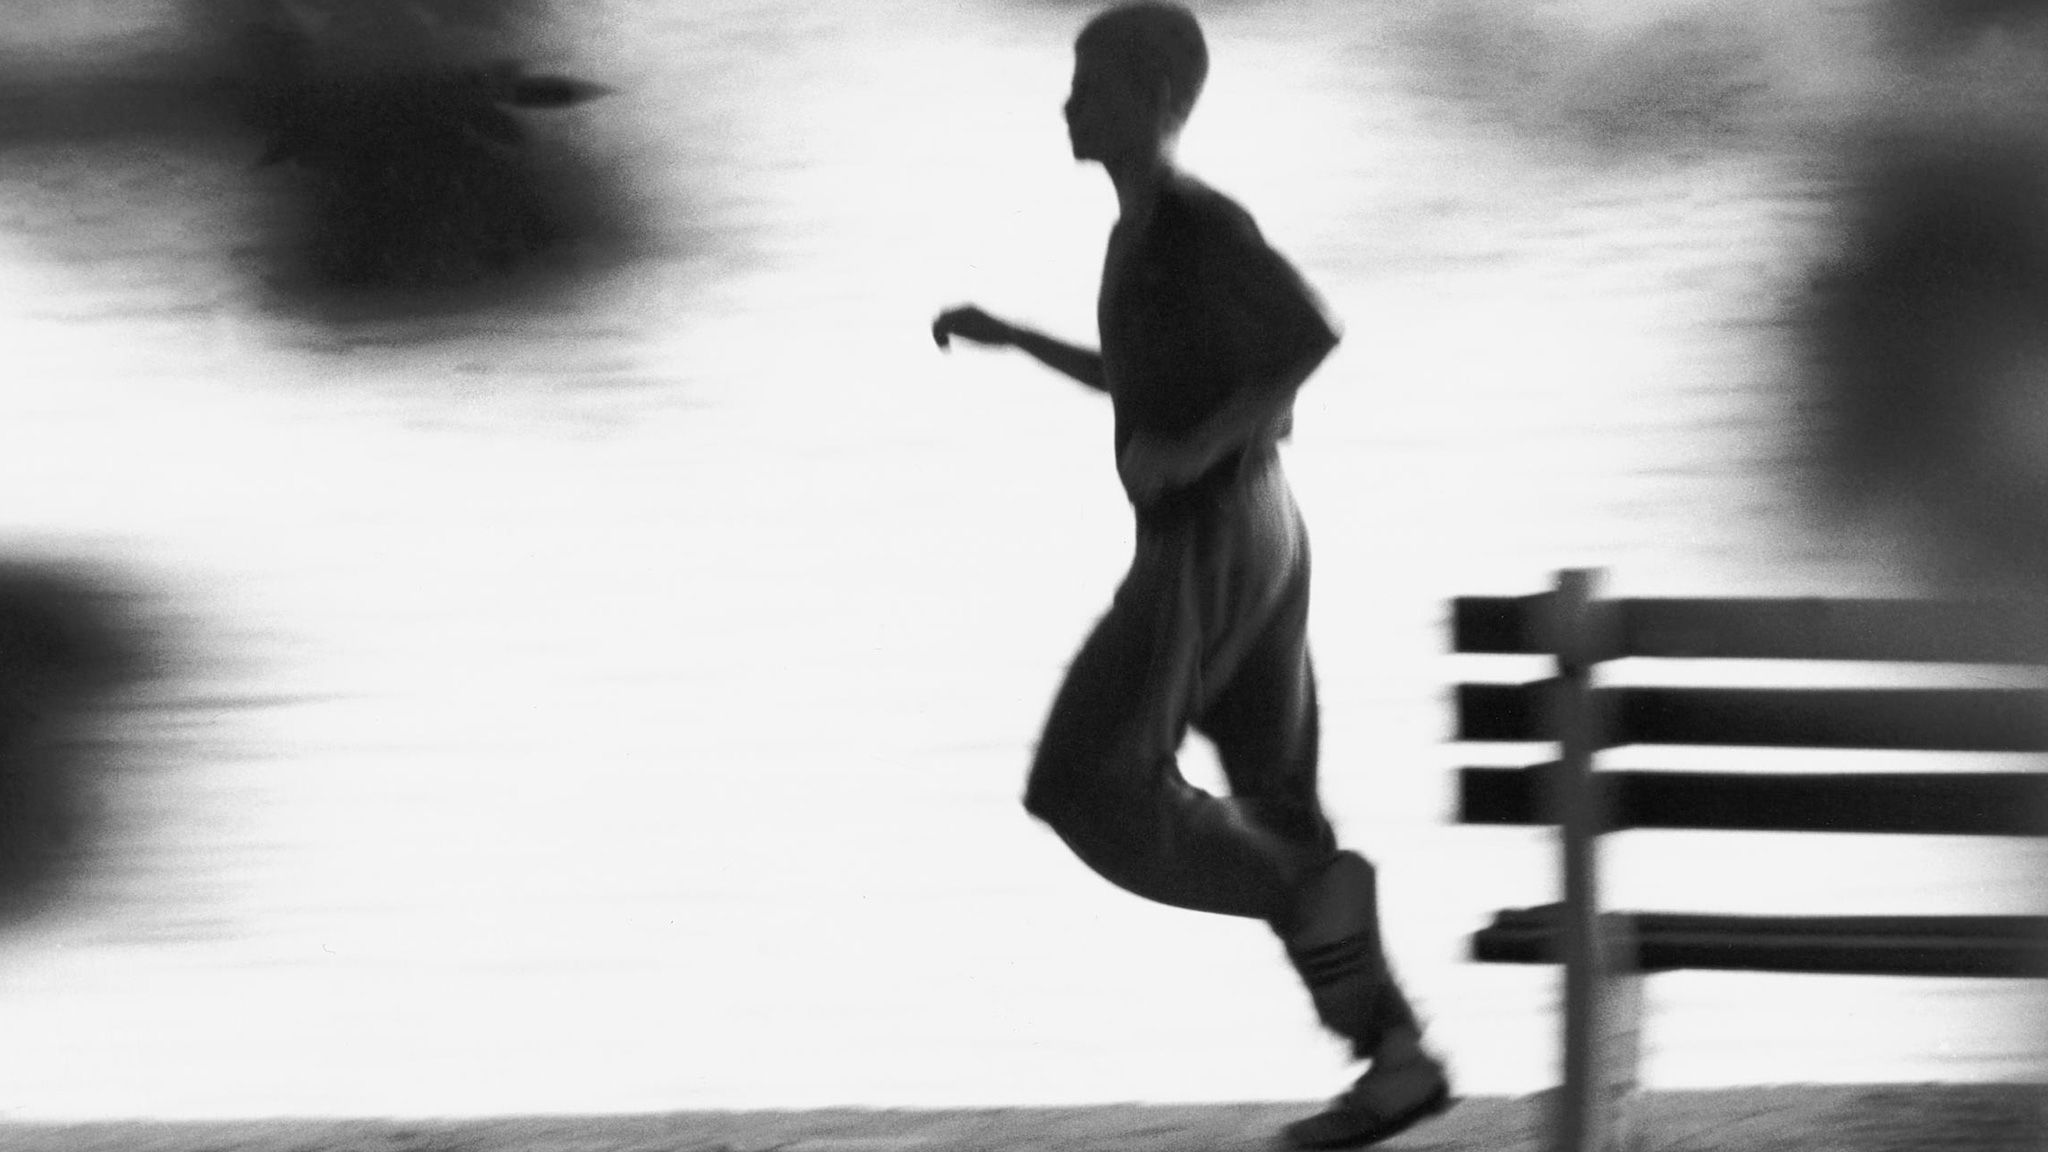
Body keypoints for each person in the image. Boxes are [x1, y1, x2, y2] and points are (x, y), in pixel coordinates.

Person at [930, 5, 1451, 1148]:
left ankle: (1303, 894)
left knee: (1086, 781)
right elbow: (1146, 378)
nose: (1068, 104)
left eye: (1091, 85)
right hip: (1258, 534)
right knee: (1275, 805)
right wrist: (1019, 338)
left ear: (1159, 99)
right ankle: (1397, 1062)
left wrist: (1196, 450)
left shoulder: (1195, 219)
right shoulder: (1138, 232)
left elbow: (1308, 338)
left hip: (1210, 537)